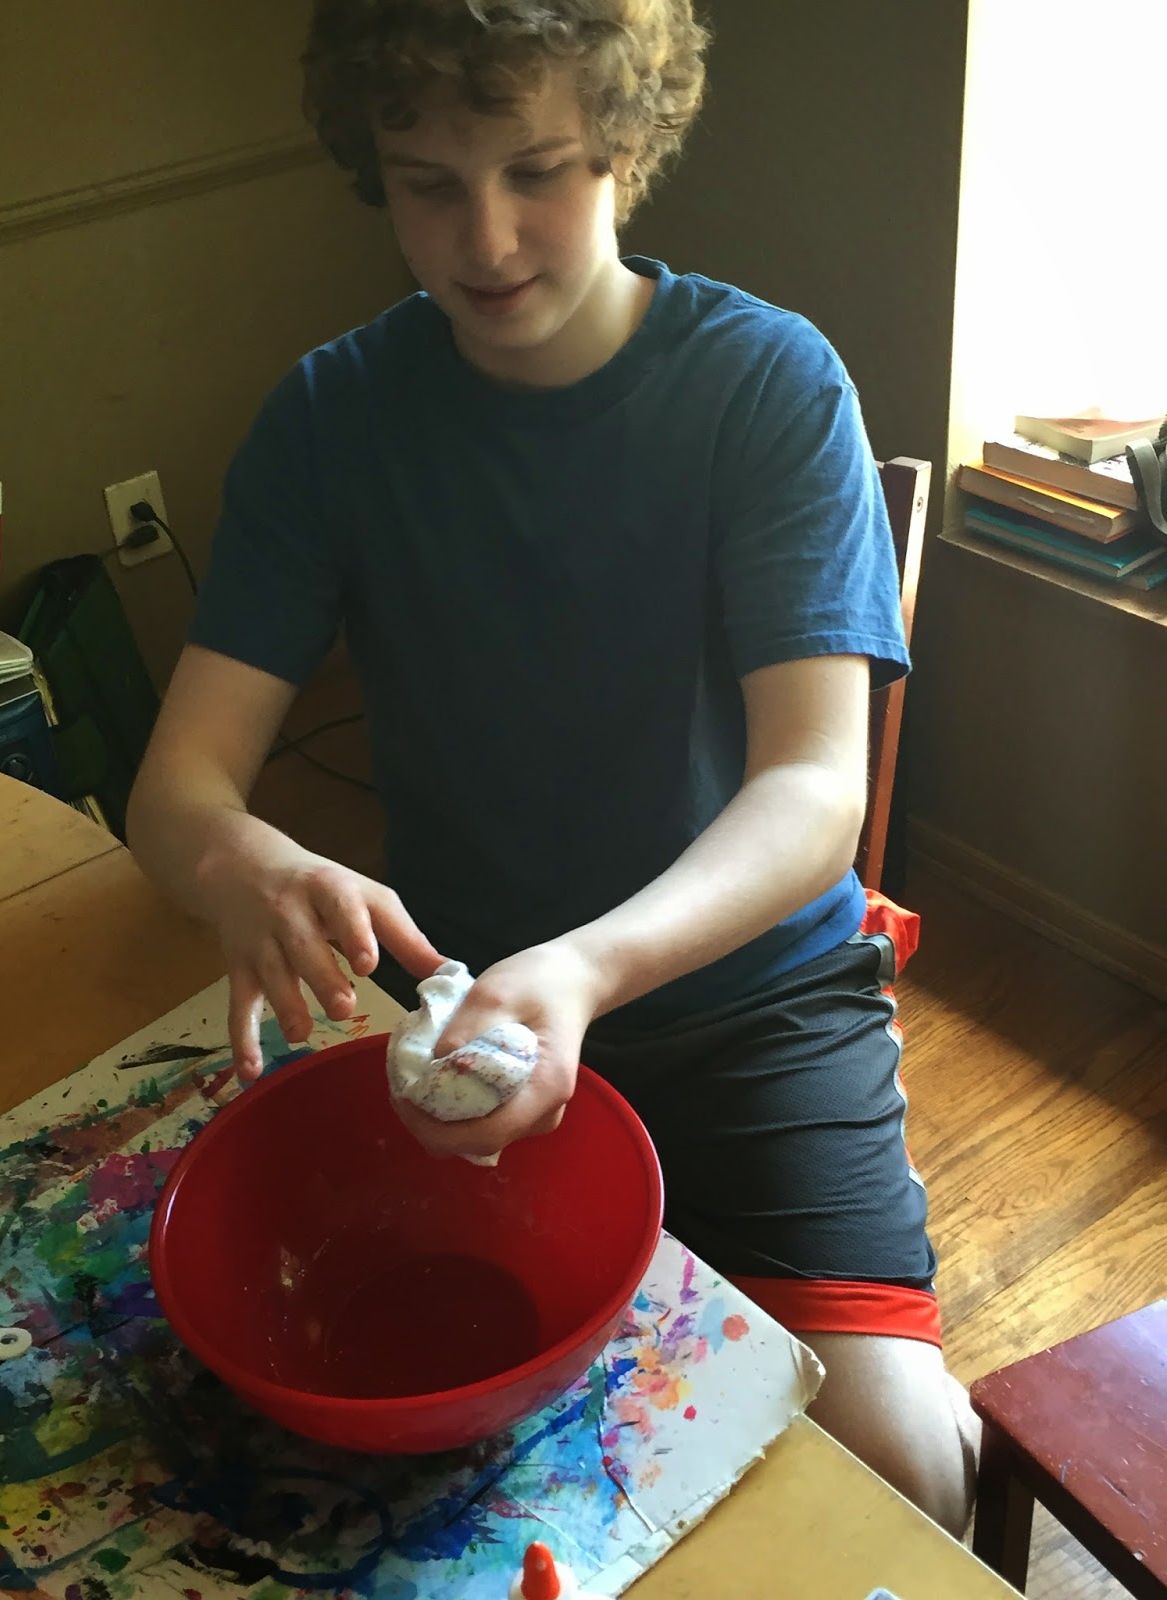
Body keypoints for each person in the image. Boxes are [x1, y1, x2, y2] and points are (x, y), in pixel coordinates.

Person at [126, 0, 979, 1533]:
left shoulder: (768, 386)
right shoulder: (331, 418)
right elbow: (178, 783)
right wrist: (239, 855)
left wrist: (588, 969)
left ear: (628, 145)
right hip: (467, 1017)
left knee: (905, 1465)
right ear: (374, 170)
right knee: (386, 1474)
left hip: (750, 1014)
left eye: (539, 170)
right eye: (429, 184)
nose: (489, 237)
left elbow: (812, 794)